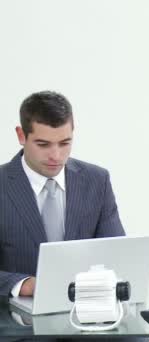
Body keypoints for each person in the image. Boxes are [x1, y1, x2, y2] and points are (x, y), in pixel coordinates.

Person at [0, 90, 125, 299]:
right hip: (15, 320)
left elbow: (116, 255)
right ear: (21, 136)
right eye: (43, 144)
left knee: (142, 333)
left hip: (88, 312)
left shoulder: (97, 181)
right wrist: (25, 285)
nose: (56, 156)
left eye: (64, 143)